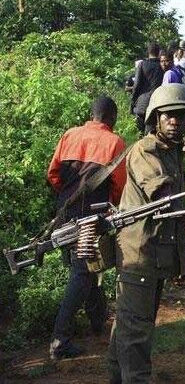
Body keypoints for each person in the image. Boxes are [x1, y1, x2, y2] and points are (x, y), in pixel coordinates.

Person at [107, 84, 185, 383]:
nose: (175, 121)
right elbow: (164, 198)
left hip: (153, 254)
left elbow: (170, 214)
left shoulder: (173, 153)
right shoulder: (146, 150)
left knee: (131, 327)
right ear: (155, 118)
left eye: (181, 116)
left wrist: (183, 261)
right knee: (136, 335)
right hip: (137, 255)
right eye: (168, 115)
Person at [47, 96, 127, 360]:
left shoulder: (70, 134)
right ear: (111, 118)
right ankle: (60, 339)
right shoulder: (114, 142)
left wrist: (68, 199)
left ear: (92, 114)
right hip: (94, 214)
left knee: (86, 266)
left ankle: (97, 322)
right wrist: (108, 208)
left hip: (66, 211)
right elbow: (119, 186)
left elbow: (53, 174)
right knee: (83, 272)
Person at [131, 42, 164, 130]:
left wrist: (133, 102)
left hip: (142, 104)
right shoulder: (162, 66)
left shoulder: (142, 65)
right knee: (151, 135)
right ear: (158, 52)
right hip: (157, 104)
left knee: (139, 135)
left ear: (148, 52)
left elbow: (136, 85)